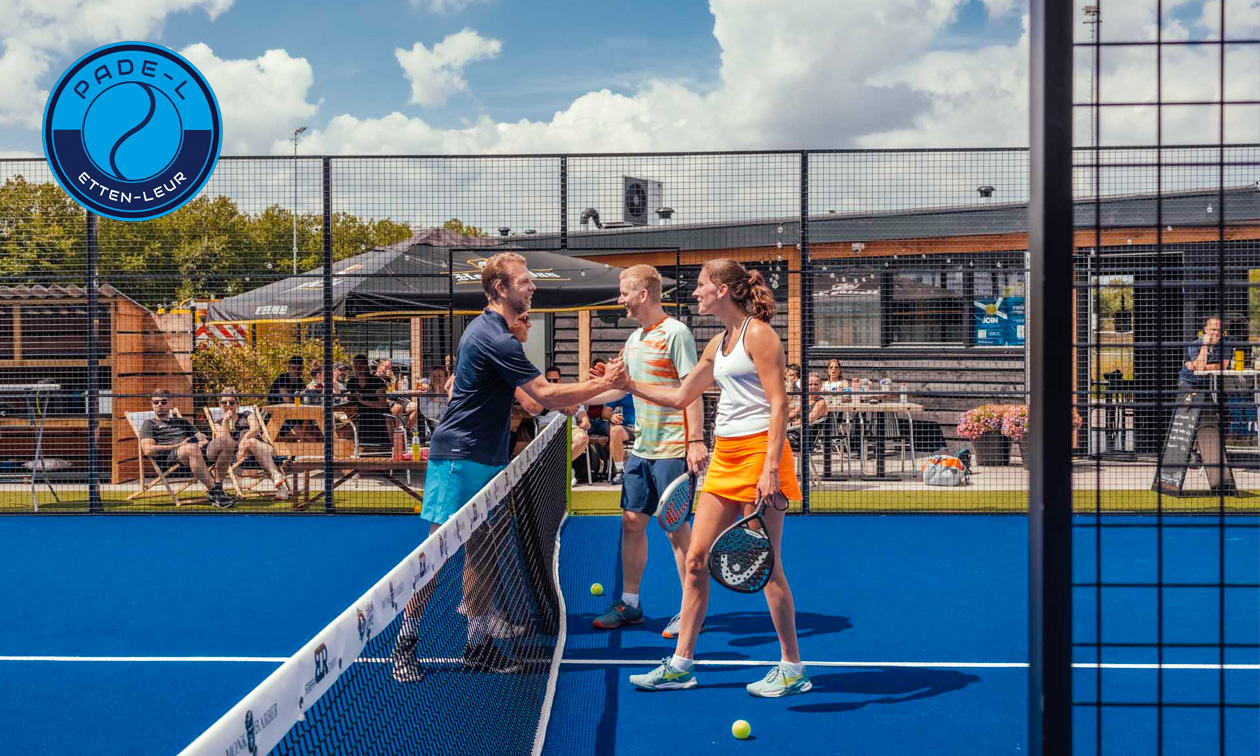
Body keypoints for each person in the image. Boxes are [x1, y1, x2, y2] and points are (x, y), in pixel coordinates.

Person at [392, 252, 626, 680]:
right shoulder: (491, 336)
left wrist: (596, 387)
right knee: (437, 555)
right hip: (459, 457)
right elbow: (545, 394)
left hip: (489, 456)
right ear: (501, 289)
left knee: (483, 553)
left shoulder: (501, 335)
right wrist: (604, 385)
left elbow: (535, 403)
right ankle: (405, 641)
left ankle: (478, 644)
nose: (532, 287)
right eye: (524, 281)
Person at [623, 258, 809, 698]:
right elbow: (682, 395)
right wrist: (630, 385)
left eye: (702, 285)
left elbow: (780, 405)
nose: (696, 292)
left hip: (762, 455)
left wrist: (769, 469)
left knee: (767, 567)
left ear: (723, 290)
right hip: (725, 457)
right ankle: (681, 664)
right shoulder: (718, 343)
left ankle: (792, 666)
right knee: (695, 559)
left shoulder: (759, 335)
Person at [584, 265, 709, 640]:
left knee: (675, 531)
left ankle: (691, 610)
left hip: (673, 448)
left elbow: (693, 389)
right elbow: (618, 390)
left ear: (642, 294)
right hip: (642, 449)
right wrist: (573, 399)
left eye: (624, 292)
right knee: (631, 523)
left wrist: (696, 440)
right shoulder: (634, 339)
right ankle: (630, 603)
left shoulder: (677, 333)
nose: (620, 299)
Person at [138, 388, 235, 508]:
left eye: (163, 402)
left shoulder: (181, 422)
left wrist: (202, 442)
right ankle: (214, 492)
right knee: (191, 448)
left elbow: (202, 437)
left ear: (170, 403)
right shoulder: (149, 424)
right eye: (156, 402)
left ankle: (218, 487)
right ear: (152, 405)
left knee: (227, 442)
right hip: (171, 459)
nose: (159, 405)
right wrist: (178, 446)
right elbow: (148, 449)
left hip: (196, 455)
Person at [1178, 315, 1235, 491]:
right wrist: (1204, 347)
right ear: (1205, 330)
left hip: (1210, 385)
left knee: (1222, 417)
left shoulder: (1227, 344)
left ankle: (1208, 455)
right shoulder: (1195, 344)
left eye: (1219, 329)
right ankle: (1196, 453)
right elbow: (1200, 367)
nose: (1216, 333)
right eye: (1212, 329)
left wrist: (1196, 365)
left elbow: (1222, 366)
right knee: (1194, 417)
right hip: (1190, 384)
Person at [204, 388, 290, 500]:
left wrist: (245, 439)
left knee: (252, 441)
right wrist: (225, 421)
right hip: (241, 457)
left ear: (237, 404)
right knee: (251, 442)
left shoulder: (247, 414)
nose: (228, 405)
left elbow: (255, 429)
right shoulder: (218, 424)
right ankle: (278, 480)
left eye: (232, 402)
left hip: (263, 448)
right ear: (220, 404)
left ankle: (277, 478)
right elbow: (225, 441)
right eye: (224, 402)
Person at [345, 354, 391, 449]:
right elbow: (349, 398)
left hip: (378, 414)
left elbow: (383, 404)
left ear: (366, 365)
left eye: (360, 364)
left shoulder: (376, 381)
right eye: (355, 364)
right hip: (360, 413)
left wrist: (363, 401)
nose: (358, 367)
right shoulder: (351, 382)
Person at [787, 373, 830, 453]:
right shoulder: (806, 400)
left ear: (820, 385)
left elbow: (808, 420)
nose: (813, 387)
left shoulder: (820, 402)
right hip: (795, 433)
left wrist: (791, 425)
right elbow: (793, 413)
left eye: (815, 384)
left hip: (805, 439)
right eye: (810, 384)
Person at [603, 392, 635, 485]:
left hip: (649, 427)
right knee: (615, 431)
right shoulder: (622, 392)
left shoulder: (649, 389)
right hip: (629, 427)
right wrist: (612, 416)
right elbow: (605, 412)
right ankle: (619, 471)